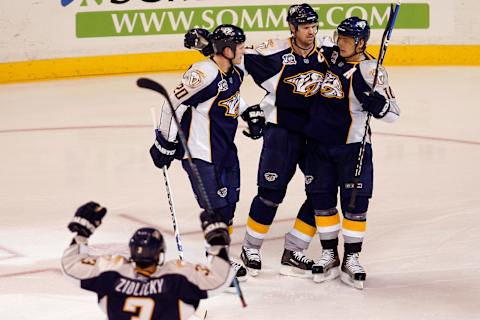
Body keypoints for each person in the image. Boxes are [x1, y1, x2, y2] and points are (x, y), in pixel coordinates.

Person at [185, 3, 333, 278]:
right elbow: (233, 55)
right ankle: (250, 248)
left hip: (317, 131)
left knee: (322, 192)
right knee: (271, 193)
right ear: (292, 27)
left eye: (314, 26)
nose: (311, 32)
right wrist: (207, 45)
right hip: (281, 129)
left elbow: (351, 56)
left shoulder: (327, 47)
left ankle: (294, 250)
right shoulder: (272, 50)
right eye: (305, 27)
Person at [149, 24, 264, 281]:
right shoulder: (203, 74)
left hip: (225, 151)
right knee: (215, 209)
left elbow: (231, 94)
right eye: (241, 46)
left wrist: (247, 111)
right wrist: (164, 142)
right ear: (226, 49)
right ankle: (218, 259)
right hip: (200, 153)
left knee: (229, 207)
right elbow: (171, 104)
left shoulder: (234, 70)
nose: (245, 50)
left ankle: (219, 252)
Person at [303, 17, 400, 289]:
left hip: (353, 147)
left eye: (347, 39)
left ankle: (352, 258)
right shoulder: (330, 53)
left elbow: (393, 113)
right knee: (321, 201)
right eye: (339, 36)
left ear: (360, 42)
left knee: (355, 205)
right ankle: (329, 252)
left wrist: (378, 105)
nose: (341, 42)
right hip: (319, 146)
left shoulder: (371, 71)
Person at [62, 201, 235, 320]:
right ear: (160, 254)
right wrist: (217, 243)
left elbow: (70, 266)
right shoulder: (177, 278)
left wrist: (81, 235)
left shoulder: (112, 273)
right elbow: (220, 279)